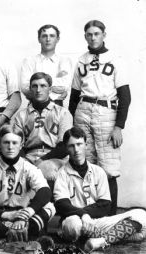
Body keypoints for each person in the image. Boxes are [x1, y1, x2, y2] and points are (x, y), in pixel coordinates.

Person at [69, 20, 131, 216]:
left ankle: (110, 216)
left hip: (106, 113)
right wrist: (72, 123)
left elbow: (125, 96)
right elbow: (73, 95)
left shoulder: (115, 59)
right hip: (83, 109)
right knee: (85, 163)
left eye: (97, 33)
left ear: (104, 34)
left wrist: (119, 126)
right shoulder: (81, 60)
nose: (93, 37)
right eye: (89, 34)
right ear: (85, 36)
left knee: (108, 167)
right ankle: (91, 215)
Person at [0, 125, 55, 242]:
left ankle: (19, 231)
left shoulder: (28, 167)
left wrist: (28, 213)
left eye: (14, 143)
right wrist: (6, 215)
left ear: (21, 144)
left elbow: (45, 191)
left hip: (22, 216)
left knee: (50, 207)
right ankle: (9, 233)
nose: (10, 147)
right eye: (6, 142)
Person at [54, 127, 112, 246]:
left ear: (86, 145)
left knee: (141, 215)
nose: (76, 150)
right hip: (73, 220)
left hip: (96, 220)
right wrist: (83, 215)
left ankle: (95, 238)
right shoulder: (61, 174)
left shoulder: (99, 171)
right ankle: (105, 237)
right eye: (71, 146)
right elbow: (62, 205)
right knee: (74, 225)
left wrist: (86, 216)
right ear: (66, 148)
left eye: (79, 144)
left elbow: (105, 205)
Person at [14, 72, 73, 189]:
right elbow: (16, 145)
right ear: (30, 89)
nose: (38, 90)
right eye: (34, 86)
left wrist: (41, 160)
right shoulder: (21, 115)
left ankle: (49, 205)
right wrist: (25, 162)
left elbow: (65, 147)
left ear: (50, 89)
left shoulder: (62, 112)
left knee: (46, 169)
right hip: (29, 156)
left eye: (43, 86)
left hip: (54, 157)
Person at [20, 24, 72, 106]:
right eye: (44, 36)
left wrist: (36, 85)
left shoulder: (65, 61)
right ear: (39, 39)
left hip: (57, 105)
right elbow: (25, 87)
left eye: (52, 36)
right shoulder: (29, 61)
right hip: (34, 106)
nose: (48, 39)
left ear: (57, 39)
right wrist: (55, 82)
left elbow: (65, 86)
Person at [61, 208, 146, 252]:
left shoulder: (87, 222)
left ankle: (103, 240)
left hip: (136, 216)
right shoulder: (85, 226)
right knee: (139, 236)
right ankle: (103, 240)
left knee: (136, 227)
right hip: (138, 225)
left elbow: (85, 217)